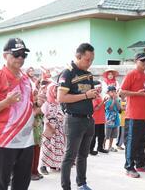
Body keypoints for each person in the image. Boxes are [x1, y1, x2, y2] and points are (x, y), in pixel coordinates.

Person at [0, 38, 35, 190]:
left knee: (23, 181)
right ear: (5, 56)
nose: (20, 58)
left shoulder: (26, 78)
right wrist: (6, 102)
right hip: (5, 138)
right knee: (2, 182)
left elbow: (30, 106)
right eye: (16, 54)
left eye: (23, 55)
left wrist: (38, 103)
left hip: (26, 138)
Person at [58, 43, 97, 190]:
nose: (90, 63)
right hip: (73, 119)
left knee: (83, 155)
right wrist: (86, 95)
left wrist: (92, 94)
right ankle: (66, 186)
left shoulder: (88, 74)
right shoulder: (67, 73)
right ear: (78, 56)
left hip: (88, 119)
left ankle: (82, 183)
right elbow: (61, 97)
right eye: (87, 60)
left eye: (92, 60)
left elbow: (87, 95)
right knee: (70, 157)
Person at [119, 52, 145, 178]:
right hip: (133, 115)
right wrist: (137, 94)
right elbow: (121, 92)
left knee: (142, 140)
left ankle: (141, 164)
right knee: (132, 142)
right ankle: (129, 167)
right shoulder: (131, 74)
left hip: (144, 115)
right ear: (136, 61)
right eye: (142, 60)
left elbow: (143, 92)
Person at [40, 82, 65, 174]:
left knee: (57, 146)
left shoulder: (58, 102)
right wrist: (49, 124)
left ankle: (54, 165)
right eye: (55, 90)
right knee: (47, 147)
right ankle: (43, 166)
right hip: (49, 127)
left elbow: (61, 113)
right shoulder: (46, 103)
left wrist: (60, 118)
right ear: (50, 91)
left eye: (57, 90)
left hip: (58, 127)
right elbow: (43, 115)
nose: (56, 92)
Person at [90, 80, 108, 155]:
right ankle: (91, 149)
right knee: (93, 136)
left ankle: (100, 147)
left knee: (102, 135)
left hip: (101, 119)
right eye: (99, 87)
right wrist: (103, 101)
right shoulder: (94, 96)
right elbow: (96, 108)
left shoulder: (99, 96)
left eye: (101, 87)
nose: (100, 89)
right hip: (95, 119)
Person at [105, 86, 121, 152]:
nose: (113, 93)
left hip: (116, 119)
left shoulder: (117, 100)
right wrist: (114, 100)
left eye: (114, 92)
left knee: (113, 134)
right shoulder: (107, 100)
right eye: (112, 92)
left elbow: (119, 108)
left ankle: (110, 146)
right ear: (108, 93)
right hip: (109, 119)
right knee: (107, 134)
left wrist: (116, 100)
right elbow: (110, 108)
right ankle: (102, 146)